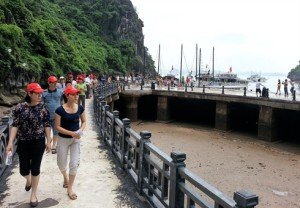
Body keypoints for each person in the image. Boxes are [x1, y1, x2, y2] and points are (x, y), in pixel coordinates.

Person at [6, 83, 52, 207]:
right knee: (23, 170)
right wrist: (10, 142)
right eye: (37, 93)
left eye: (40, 93)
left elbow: (47, 124)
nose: (40, 95)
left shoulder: (43, 107)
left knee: (35, 169)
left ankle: (33, 194)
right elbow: (15, 125)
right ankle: (29, 180)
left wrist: (49, 141)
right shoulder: (19, 108)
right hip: (23, 141)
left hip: (38, 141)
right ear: (29, 93)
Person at [54, 86, 86, 200]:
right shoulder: (59, 110)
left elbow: (84, 121)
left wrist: (80, 130)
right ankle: (65, 176)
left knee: (74, 163)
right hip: (63, 139)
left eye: (77, 94)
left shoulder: (80, 108)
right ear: (67, 96)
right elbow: (57, 127)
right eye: (73, 94)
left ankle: (70, 188)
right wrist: (71, 133)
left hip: (75, 140)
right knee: (61, 163)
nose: (76, 96)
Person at [42, 76, 63, 154]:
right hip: (46, 116)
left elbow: (62, 102)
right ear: (48, 83)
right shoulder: (44, 93)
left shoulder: (60, 92)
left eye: (55, 83)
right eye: (52, 83)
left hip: (57, 116)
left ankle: (54, 146)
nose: (54, 84)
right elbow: (41, 104)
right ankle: (48, 142)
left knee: (56, 131)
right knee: (46, 131)